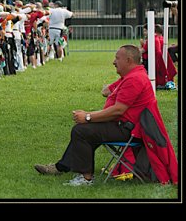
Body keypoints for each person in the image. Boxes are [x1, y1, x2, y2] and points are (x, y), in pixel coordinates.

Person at [34, 45, 157, 186]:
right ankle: (61, 167)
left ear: (128, 60)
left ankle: (85, 178)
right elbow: (107, 94)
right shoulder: (132, 76)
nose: (114, 62)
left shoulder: (134, 79)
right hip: (124, 125)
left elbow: (118, 110)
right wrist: (88, 117)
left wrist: (87, 116)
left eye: (117, 58)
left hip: (129, 130)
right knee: (85, 128)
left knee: (81, 131)